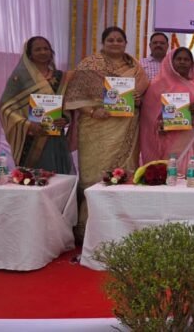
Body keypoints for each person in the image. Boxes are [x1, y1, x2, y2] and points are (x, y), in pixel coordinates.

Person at [65, 26, 149, 243]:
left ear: (125, 43)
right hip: (96, 127)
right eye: (110, 40)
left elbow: (142, 95)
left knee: (124, 175)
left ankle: (122, 226)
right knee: (94, 176)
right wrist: (93, 111)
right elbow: (74, 97)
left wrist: (138, 99)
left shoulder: (135, 67)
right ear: (103, 42)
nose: (115, 43)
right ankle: (88, 227)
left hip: (127, 127)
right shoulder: (89, 65)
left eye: (119, 40)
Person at [0, 36, 74, 174]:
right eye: (37, 49)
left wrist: (65, 119)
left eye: (46, 48)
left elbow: (68, 103)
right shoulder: (19, 77)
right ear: (29, 54)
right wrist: (28, 125)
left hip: (55, 136)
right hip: (31, 138)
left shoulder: (60, 77)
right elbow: (5, 107)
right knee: (34, 177)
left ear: (51, 52)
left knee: (59, 177)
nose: (43, 52)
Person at [140, 47, 194, 172]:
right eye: (179, 59)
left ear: (191, 63)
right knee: (168, 175)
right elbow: (148, 117)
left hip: (190, 140)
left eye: (186, 59)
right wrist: (159, 124)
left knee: (189, 175)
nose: (182, 62)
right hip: (166, 139)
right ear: (171, 62)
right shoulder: (158, 85)